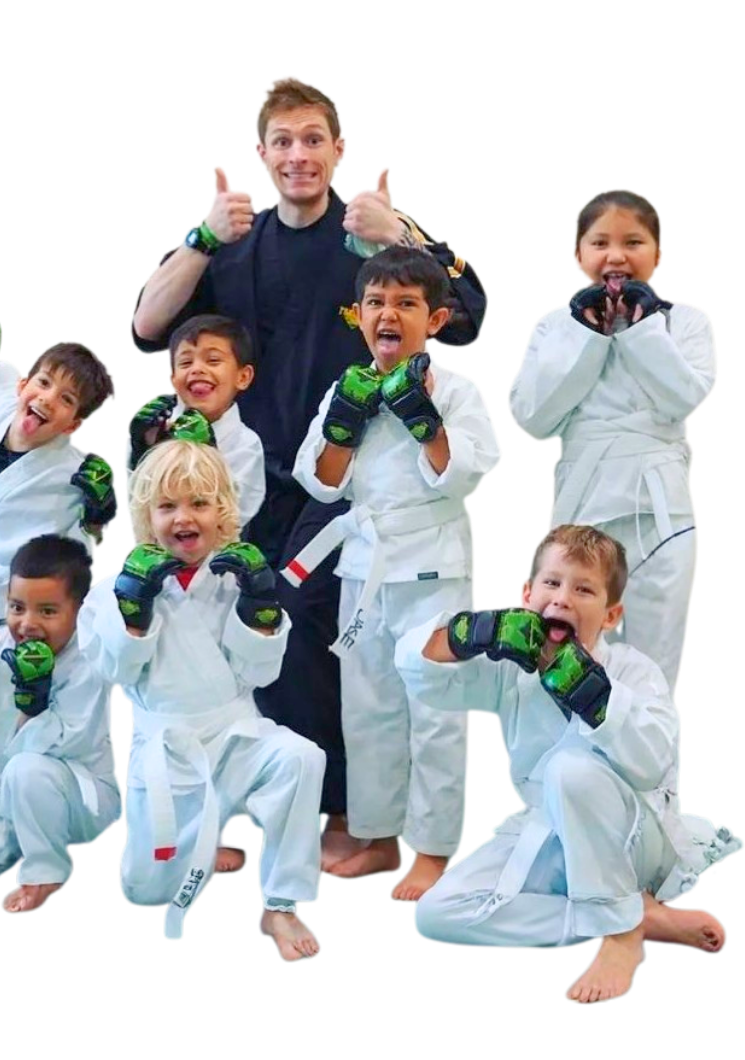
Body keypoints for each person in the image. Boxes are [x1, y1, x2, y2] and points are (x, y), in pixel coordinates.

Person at [129, 74, 487, 848]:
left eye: (313, 140)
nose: (299, 155)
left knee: (299, 623)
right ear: (261, 154)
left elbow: (469, 318)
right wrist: (200, 237)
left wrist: (403, 232)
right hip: (245, 482)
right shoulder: (232, 240)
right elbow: (147, 325)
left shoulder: (371, 234)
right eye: (283, 142)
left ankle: (342, 811)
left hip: (341, 486)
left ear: (340, 149)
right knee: (234, 632)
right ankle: (259, 803)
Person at [394, 525, 741, 1004]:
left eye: (583, 590)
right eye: (552, 583)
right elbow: (421, 675)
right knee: (435, 915)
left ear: (611, 614)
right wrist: (472, 632)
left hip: (633, 839)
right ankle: (639, 917)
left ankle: (621, 936)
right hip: (548, 828)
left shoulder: (633, 671)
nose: (562, 598)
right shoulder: (510, 670)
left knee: (570, 769)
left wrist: (592, 694)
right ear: (526, 596)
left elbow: (654, 761)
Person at [291, 248, 502, 893]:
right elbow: (321, 483)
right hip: (364, 567)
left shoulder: (457, 390)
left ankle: (433, 849)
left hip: (433, 566)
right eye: (377, 302)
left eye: (406, 304)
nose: (389, 314)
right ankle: (379, 837)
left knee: (435, 708)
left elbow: (465, 473)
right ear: (358, 315)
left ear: (434, 319)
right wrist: (344, 427)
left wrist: (423, 419)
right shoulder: (345, 388)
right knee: (369, 707)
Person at [77, 441, 326, 961]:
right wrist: (134, 613)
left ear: (223, 512)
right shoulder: (114, 590)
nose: (183, 518)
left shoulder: (240, 580)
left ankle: (280, 904)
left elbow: (261, 673)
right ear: (147, 517)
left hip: (237, 737)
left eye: (199, 504)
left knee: (301, 758)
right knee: (146, 893)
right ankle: (203, 845)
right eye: (167, 506)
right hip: (168, 753)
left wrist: (260, 607)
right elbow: (112, 673)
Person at [507, 189, 716, 695]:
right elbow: (533, 419)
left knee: (654, 668)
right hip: (583, 506)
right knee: (570, 658)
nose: (616, 255)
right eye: (600, 243)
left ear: (658, 255)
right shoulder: (553, 326)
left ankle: (651, 751)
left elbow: (682, 398)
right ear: (578, 255)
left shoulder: (687, 320)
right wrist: (587, 335)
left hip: (658, 514)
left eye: (633, 242)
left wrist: (642, 330)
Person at [0, 535, 122, 914]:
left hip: (79, 797)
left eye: (47, 611)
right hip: (2, 790)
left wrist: (33, 701)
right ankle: (29, 832)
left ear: (80, 609)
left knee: (27, 768)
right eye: (17, 607)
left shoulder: (89, 656)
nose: (27, 624)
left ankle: (46, 870)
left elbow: (71, 740)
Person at [0, 315, 119, 619]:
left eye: (66, 399)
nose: (47, 399)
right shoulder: (2, 406)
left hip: (41, 600)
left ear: (73, 425)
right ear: (23, 385)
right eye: (44, 383)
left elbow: (86, 541)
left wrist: (99, 516)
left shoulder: (77, 473)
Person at [124, 313, 265, 529]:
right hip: (155, 545)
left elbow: (235, 517)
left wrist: (207, 451)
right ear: (172, 380)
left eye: (213, 360)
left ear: (243, 377)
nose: (197, 369)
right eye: (186, 362)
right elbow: (136, 505)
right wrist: (141, 450)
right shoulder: (154, 429)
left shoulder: (246, 444)